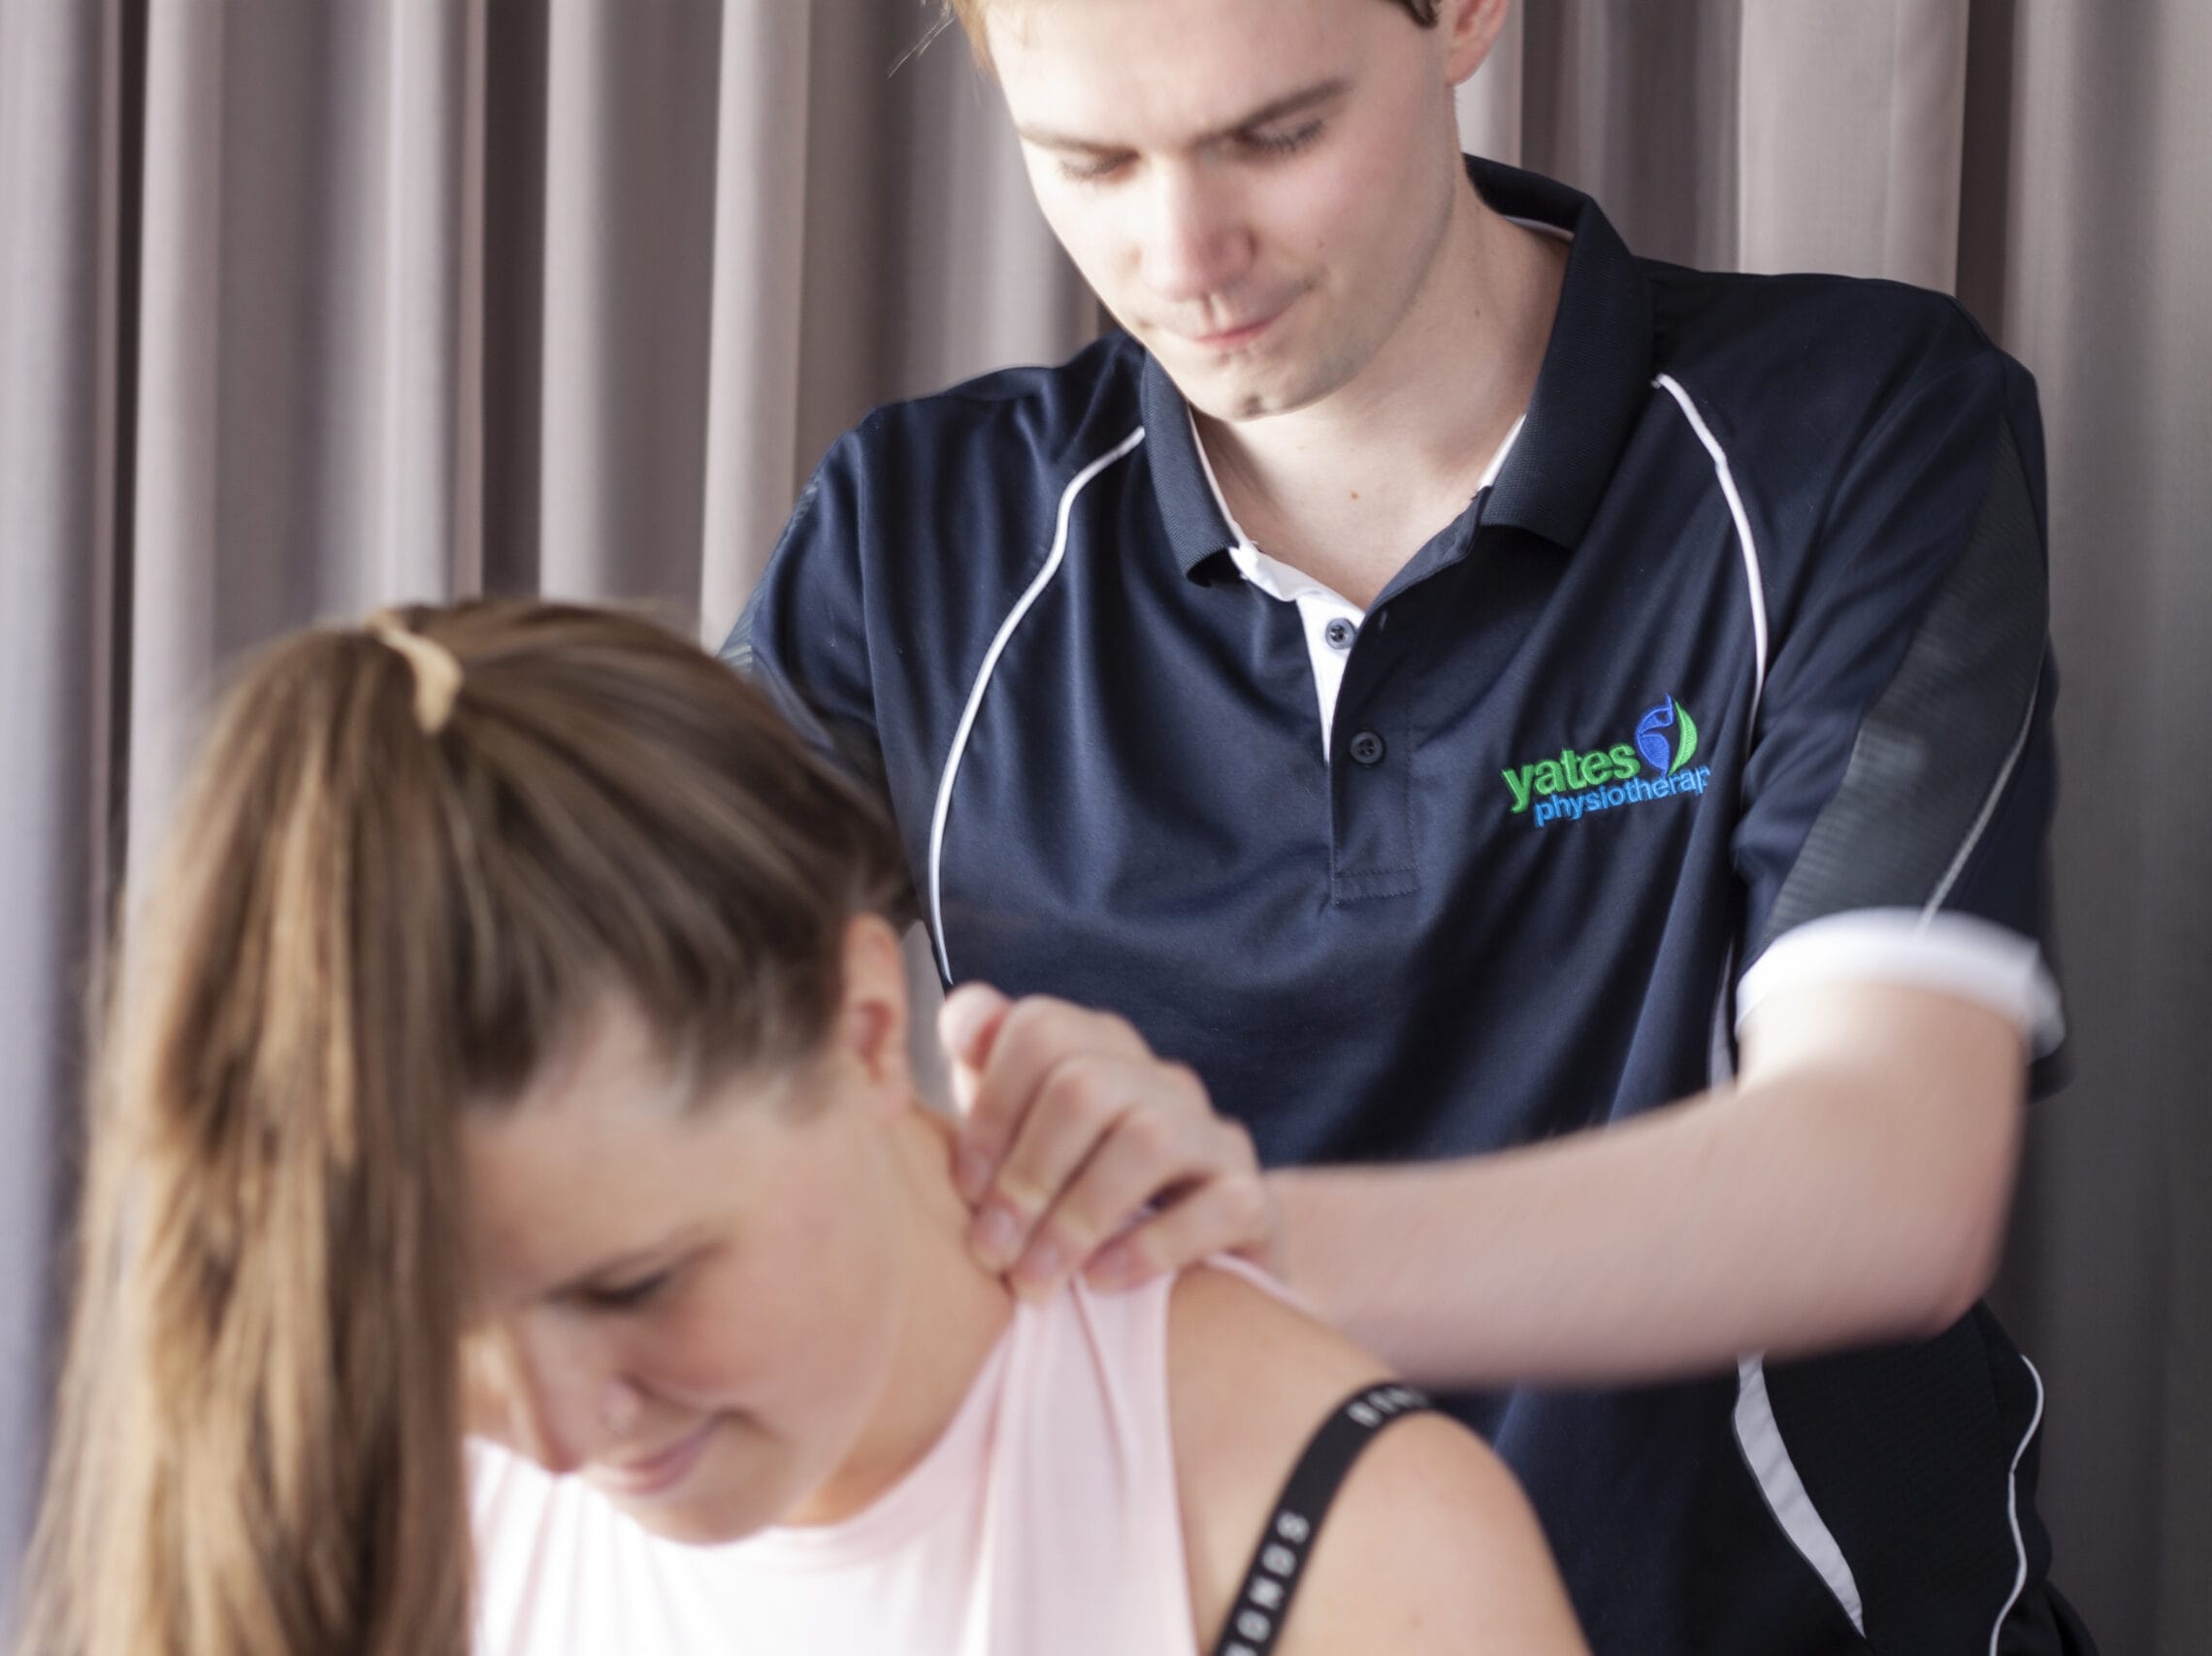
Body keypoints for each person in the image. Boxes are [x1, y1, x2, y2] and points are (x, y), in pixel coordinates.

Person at [726, 0, 2094, 1648]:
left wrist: (1217, 1238)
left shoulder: (1849, 427)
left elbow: (1886, 1183)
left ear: (1461, 16)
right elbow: (634, 1049)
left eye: (1276, 136)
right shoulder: (910, 537)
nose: (1187, 257)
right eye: (1087, 160)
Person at [10, 599, 1585, 1656]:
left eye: (632, 1287)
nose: (555, 1432)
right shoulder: (375, 1491)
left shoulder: (1347, 1550)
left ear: (864, 1021)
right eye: (431, 1321)